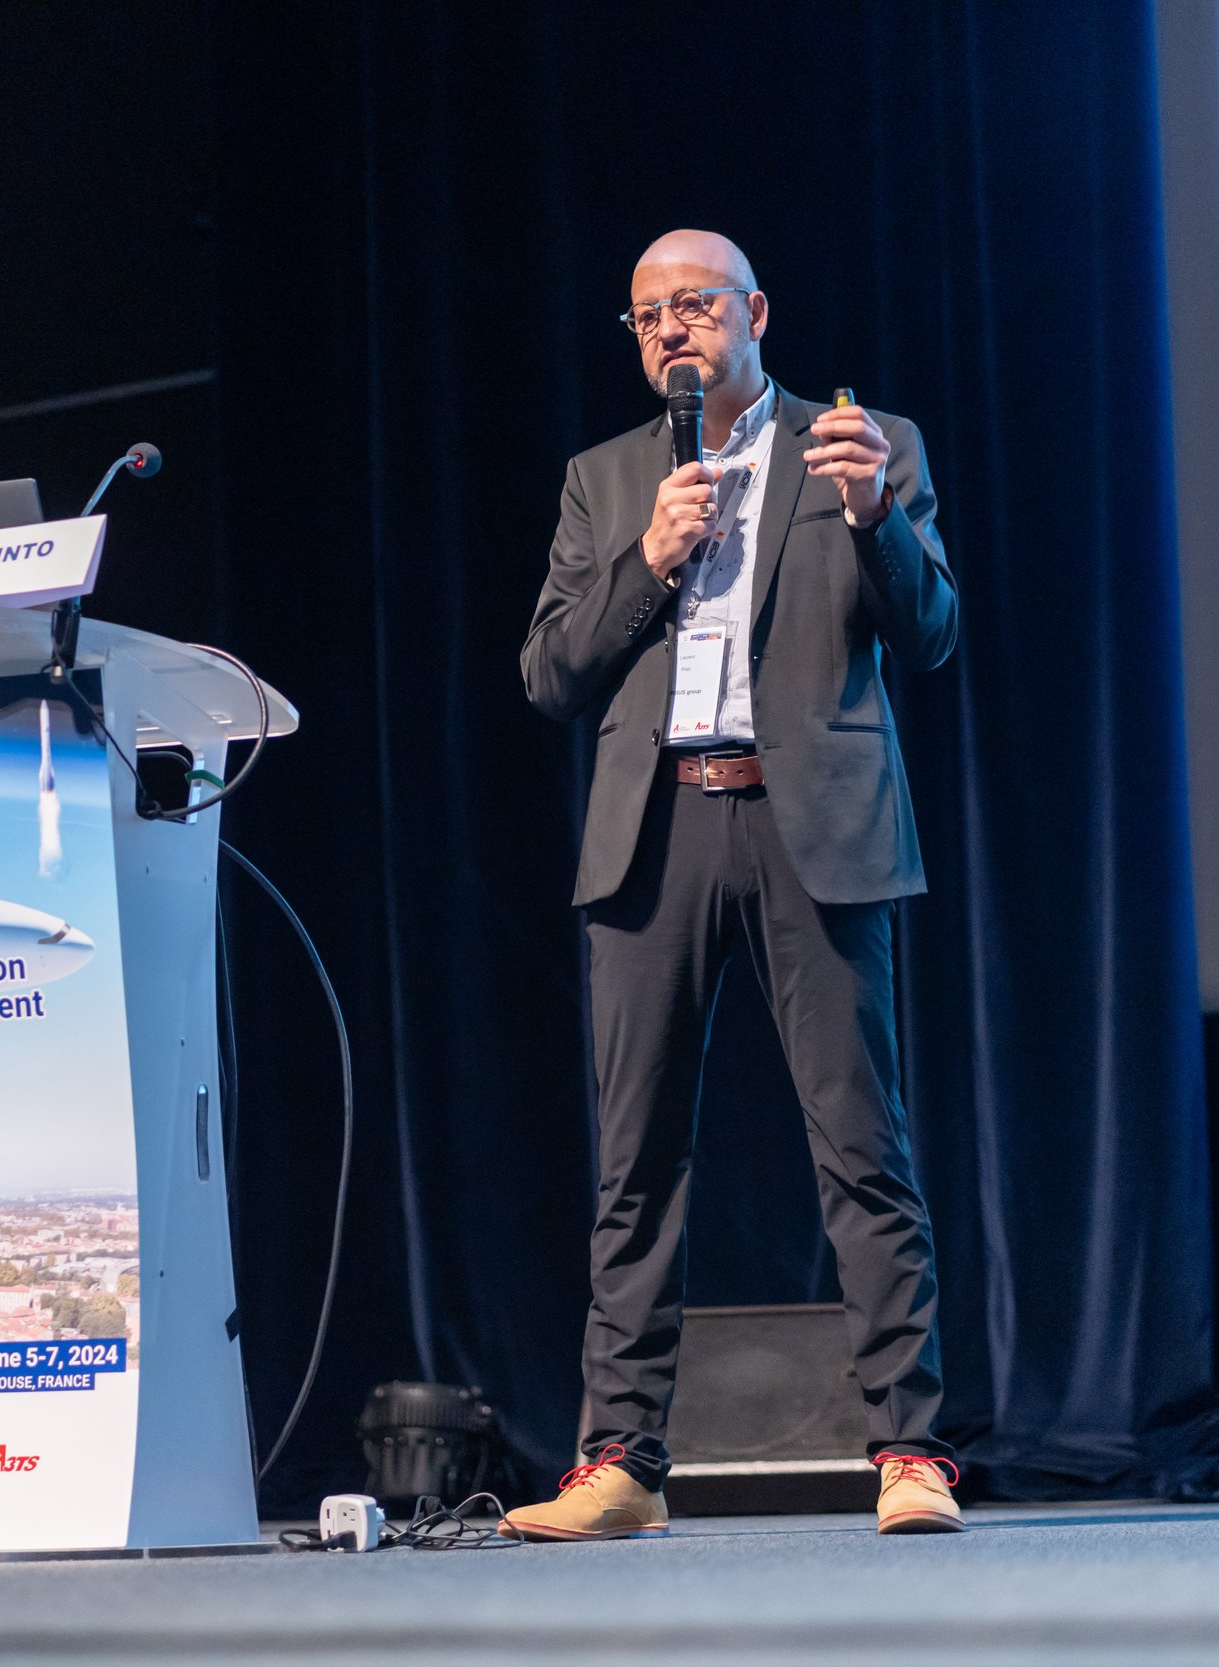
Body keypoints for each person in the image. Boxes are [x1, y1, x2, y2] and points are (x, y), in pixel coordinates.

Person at [507, 231, 964, 1540]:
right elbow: (549, 672)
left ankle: (909, 1448)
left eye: (693, 304)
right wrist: (646, 558)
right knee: (633, 1163)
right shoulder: (606, 482)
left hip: (809, 817)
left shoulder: (861, 447)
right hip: (655, 832)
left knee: (861, 1149)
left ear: (756, 312)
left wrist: (876, 514)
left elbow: (930, 634)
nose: (670, 329)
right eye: (647, 313)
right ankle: (619, 1459)